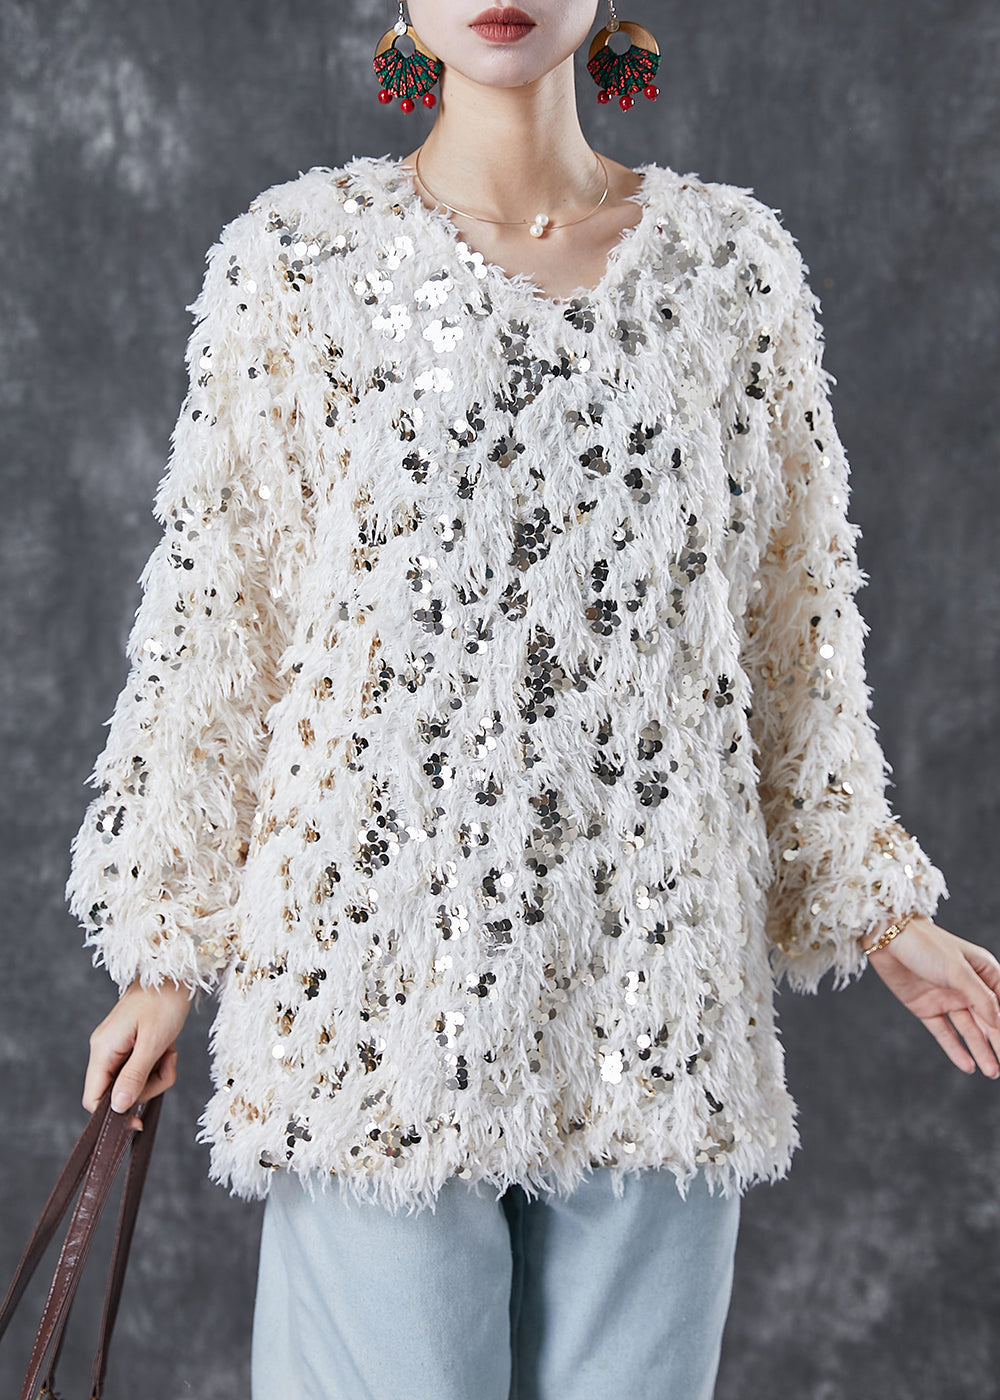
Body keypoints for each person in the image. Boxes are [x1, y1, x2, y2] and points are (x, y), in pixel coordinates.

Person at [70, 2, 1000, 1397]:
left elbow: (795, 623)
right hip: (373, 991)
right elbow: (218, 617)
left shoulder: (730, 268)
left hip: (658, 989)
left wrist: (880, 907)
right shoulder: (297, 262)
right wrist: (163, 953)